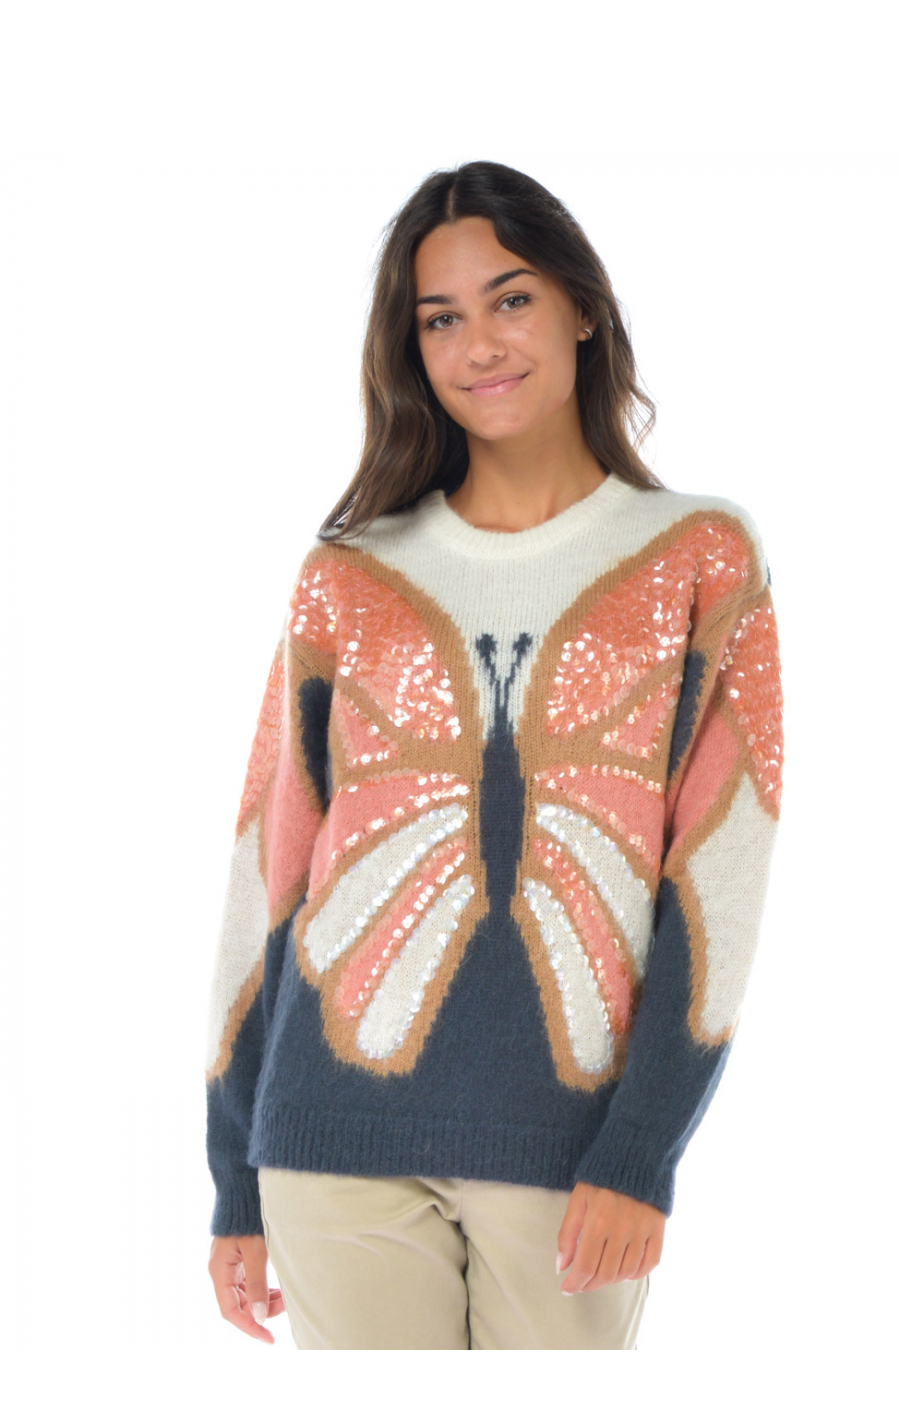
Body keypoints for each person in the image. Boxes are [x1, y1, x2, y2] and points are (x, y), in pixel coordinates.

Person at [205, 159, 785, 1350]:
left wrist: (643, 1149)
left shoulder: (700, 555)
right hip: (329, 1135)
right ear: (411, 347)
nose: (479, 345)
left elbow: (721, 877)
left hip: (571, 1150)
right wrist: (233, 1172)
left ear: (583, 307)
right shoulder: (351, 573)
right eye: (440, 319)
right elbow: (270, 868)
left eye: (511, 299)